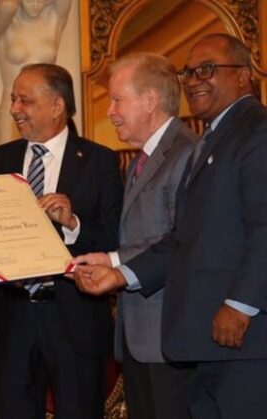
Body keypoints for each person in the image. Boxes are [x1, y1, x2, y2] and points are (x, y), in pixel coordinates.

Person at [72, 33, 267, 418]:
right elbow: (184, 238)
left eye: (207, 69)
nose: (193, 80)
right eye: (188, 72)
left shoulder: (256, 130)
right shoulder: (214, 138)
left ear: (243, 75)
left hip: (244, 338)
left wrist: (239, 305)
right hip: (205, 339)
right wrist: (118, 271)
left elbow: (264, 226)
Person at [0, 63, 123, 419]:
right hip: (12, 317)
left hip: (74, 316)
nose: (14, 109)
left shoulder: (100, 161)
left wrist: (73, 224)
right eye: (14, 99)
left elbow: (115, 237)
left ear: (57, 106)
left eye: (25, 100)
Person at [72, 52, 196, 419]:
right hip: (140, 338)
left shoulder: (186, 153)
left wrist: (116, 269)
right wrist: (108, 259)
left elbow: (179, 239)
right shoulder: (145, 156)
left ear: (150, 100)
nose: (110, 111)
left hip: (168, 336)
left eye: (117, 100)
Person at [0, 0, 72, 143]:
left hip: (46, 108)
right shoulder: (5, 26)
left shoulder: (54, 20)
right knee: (8, 156)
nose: (35, 5)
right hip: (14, 107)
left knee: (53, 154)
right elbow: (7, 5)